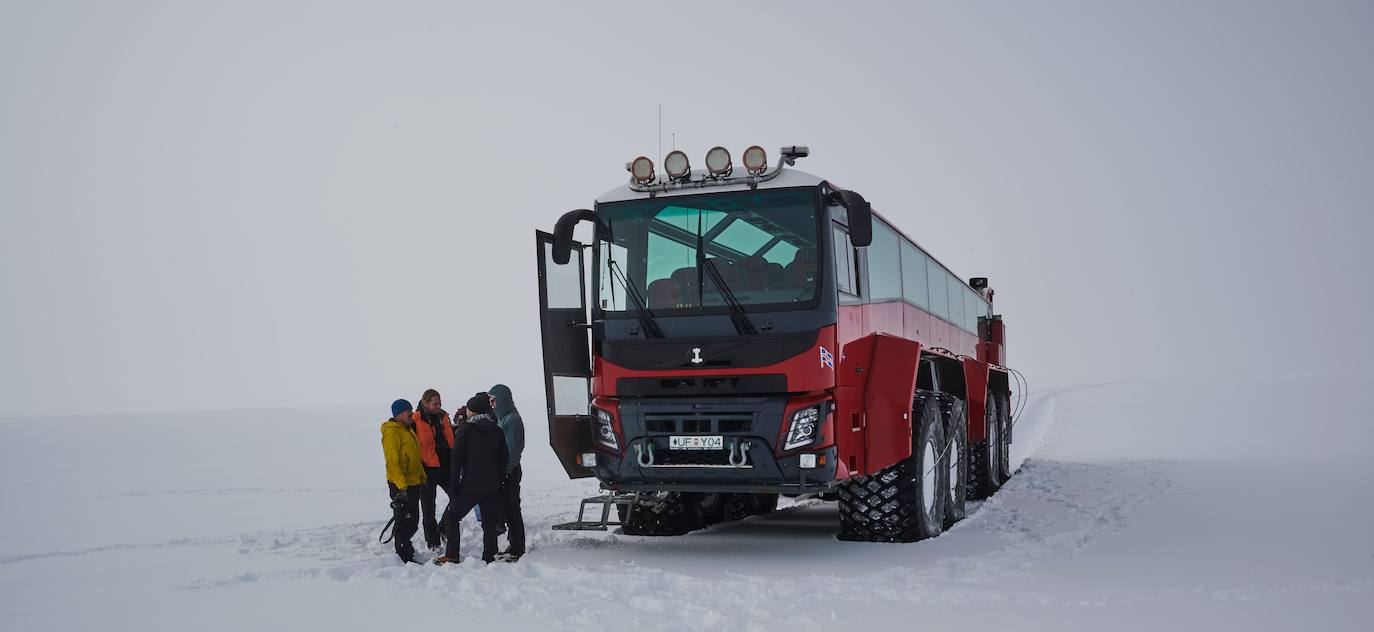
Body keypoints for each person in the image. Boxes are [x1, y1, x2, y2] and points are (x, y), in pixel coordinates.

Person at [434, 394, 508, 565]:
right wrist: (500, 480)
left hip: (470, 485)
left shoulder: (466, 429)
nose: (466, 411)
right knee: (489, 522)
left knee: (452, 518)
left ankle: (452, 555)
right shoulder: (497, 430)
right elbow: (503, 458)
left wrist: (454, 484)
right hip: (491, 485)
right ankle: (489, 555)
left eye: (468, 408)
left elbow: (457, 458)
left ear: (473, 411)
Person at [380, 399, 426, 563]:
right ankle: (404, 555)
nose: (412, 414)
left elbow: (414, 457)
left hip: (412, 482)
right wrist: (401, 487)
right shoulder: (392, 433)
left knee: (412, 521)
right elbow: (392, 463)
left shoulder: (406, 429)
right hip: (402, 485)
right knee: (405, 521)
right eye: (408, 411)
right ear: (399, 413)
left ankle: (406, 550)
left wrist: (422, 477)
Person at [411, 389, 454, 552]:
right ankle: (433, 541)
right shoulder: (415, 419)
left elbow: (450, 438)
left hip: (445, 466)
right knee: (428, 508)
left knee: (458, 497)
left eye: (439, 403)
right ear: (425, 403)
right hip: (426, 469)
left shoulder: (443, 416)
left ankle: (443, 527)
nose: (438, 406)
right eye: (435, 403)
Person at [489, 384, 526, 559]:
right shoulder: (501, 418)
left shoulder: (512, 420)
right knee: (508, 508)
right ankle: (514, 544)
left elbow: (512, 449)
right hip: (505, 470)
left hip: (510, 471)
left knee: (512, 509)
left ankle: (517, 547)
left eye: (493, 399)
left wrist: (506, 470)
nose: (492, 403)